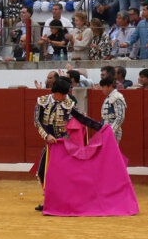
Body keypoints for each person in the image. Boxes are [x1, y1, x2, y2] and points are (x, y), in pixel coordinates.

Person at [32, 76, 102, 212]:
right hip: (51, 144)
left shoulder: (68, 103)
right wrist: (47, 135)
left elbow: (82, 118)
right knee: (41, 172)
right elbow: (37, 121)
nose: (65, 97)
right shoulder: (42, 101)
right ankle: (50, 200)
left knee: (67, 176)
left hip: (65, 145)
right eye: (63, 94)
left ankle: (69, 201)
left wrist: (100, 127)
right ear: (56, 92)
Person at [97, 75, 127, 141]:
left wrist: (111, 131)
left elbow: (120, 117)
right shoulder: (110, 97)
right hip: (106, 131)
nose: (102, 89)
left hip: (113, 133)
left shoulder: (117, 97)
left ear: (110, 86)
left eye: (103, 87)